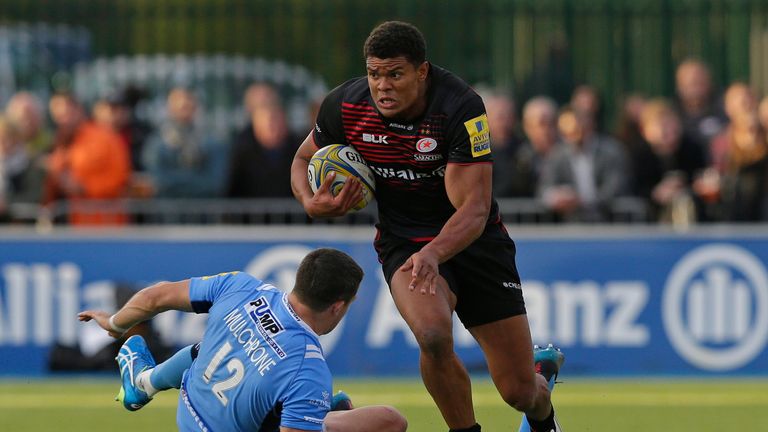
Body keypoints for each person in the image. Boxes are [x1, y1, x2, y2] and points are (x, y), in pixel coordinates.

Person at [290, 21, 564, 432]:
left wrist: (435, 252)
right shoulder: (345, 106)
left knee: (520, 393)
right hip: (405, 241)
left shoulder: (460, 108)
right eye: (374, 73)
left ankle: (541, 384)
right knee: (433, 336)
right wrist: (310, 202)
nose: (382, 85)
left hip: (475, 243)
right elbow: (300, 160)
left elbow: (474, 210)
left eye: (395, 74)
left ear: (422, 72)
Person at [78, 248, 407, 432]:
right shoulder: (308, 368)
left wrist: (116, 323)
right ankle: (316, 417)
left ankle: (145, 382)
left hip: (189, 413)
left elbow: (156, 297)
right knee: (392, 421)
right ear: (338, 307)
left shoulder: (242, 286)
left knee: (209, 348)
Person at [45, 92, 132, 225]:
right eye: (57, 116)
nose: (63, 120)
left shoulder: (106, 138)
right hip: (75, 223)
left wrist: (84, 188)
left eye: (66, 114)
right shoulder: (59, 143)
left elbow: (120, 177)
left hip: (107, 223)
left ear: (79, 110)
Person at [538, 105, 628, 222]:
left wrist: (582, 200)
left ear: (589, 124)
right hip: (569, 225)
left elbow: (614, 187)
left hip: (608, 222)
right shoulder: (557, 155)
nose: (571, 132)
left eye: (576, 127)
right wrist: (556, 197)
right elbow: (544, 188)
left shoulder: (611, 152)